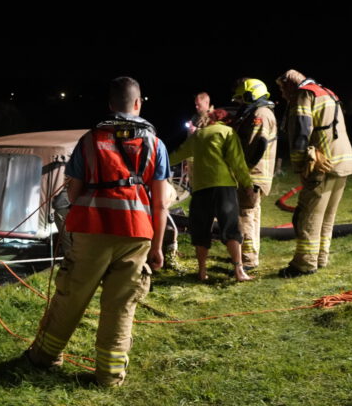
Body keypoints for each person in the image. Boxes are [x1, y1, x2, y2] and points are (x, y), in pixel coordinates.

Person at [25, 76, 170, 387]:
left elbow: (74, 194)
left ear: (109, 105)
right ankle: (109, 376)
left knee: (71, 297)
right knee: (120, 305)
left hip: (90, 229)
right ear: (138, 103)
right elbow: (160, 204)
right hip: (137, 233)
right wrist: (157, 247)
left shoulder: (90, 140)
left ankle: (44, 357)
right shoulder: (156, 145)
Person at [275, 69, 352, 278]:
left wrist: (300, 166)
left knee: (308, 217)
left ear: (290, 84)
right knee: (327, 216)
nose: (283, 95)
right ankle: (320, 258)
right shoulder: (327, 92)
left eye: (282, 89)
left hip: (322, 165)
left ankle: (304, 265)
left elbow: (300, 133)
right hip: (343, 162)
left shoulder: (304, 95)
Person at [169, 104, 255, 283]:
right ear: (226, 121)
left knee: (201, 231)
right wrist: (247, 183)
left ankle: (202, 272)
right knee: (230, 228)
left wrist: (159, 165)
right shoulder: (227, 133)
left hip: (200, 189)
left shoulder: (198, 135)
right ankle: (239, 271)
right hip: (224, 187)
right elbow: (237, 161)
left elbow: (178, 154)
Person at [230, 78, 278, 271]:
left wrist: (241, 169)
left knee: (245, 215)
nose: (241, 103)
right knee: (252, 214)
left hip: (252, 175)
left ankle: (247, 260)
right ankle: (250, 255)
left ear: (251, 95)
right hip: (255, 174)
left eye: (242, 99)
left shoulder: (260, 114)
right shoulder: (260, 112)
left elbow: (256, 144)